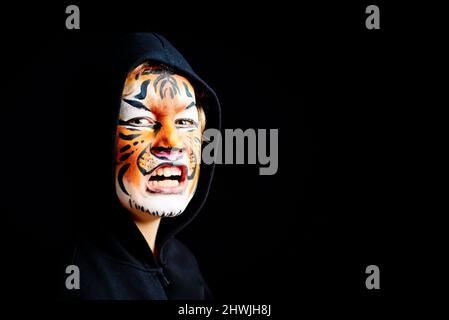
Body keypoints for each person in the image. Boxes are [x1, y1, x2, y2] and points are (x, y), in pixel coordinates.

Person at [62, 33, 221, 300]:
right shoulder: (78, 278)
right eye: (140, 121)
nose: (172, 142)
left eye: (184, 123)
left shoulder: (184, 263)